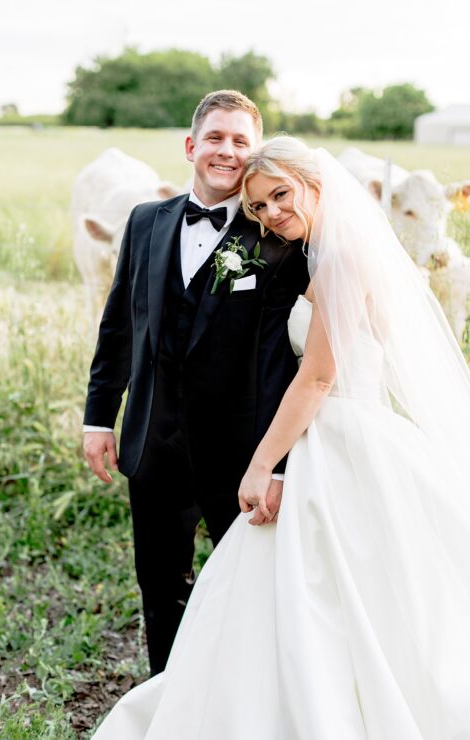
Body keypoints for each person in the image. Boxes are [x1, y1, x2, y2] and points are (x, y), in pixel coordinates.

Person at [81, 136, 470, 740]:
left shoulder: (344, 260)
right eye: (257, 207)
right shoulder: (315, 254)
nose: (271, 213)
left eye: (281, 195)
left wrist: (258, 465)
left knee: (340, 594)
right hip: (324, 436)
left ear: (317, 184)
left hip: (341, 438)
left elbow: (321, 378)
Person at [82, 91, 309, 675]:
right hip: (152, 444)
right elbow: (119, 327)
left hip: (239, 454)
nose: (226, 151)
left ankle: (242, 699)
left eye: (240, 141)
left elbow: (279, 364)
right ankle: (166, 702)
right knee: (160, 587)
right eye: (215, 137)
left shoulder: (279, 243)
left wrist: (276, 464)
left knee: (251, 588)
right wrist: (99, 417)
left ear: (255, 156)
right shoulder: (143, 222)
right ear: (191, 146)